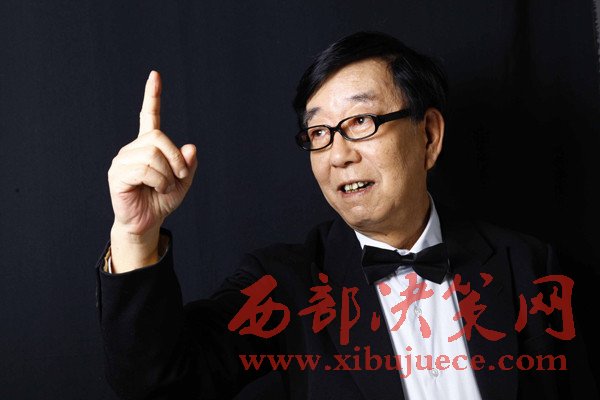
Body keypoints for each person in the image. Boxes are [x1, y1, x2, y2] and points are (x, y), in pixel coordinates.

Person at [97, 31, 597, 399]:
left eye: (361, 122)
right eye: (319, 134)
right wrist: (136, 235)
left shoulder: (530, 267)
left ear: (428, 136)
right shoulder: (284, 285)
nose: (338, 155)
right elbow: (160, 383)